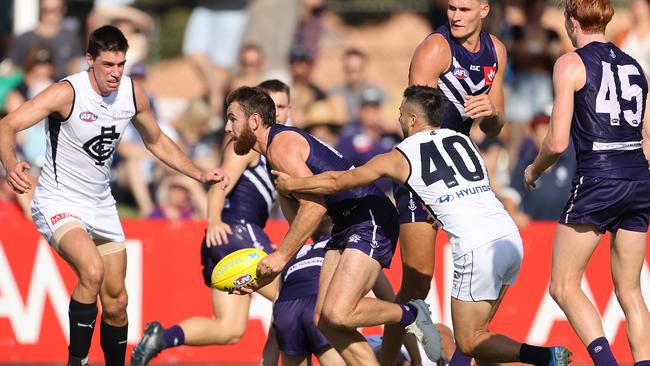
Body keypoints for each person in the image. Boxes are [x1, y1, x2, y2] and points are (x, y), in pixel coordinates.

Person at [273, 85, 571, 366]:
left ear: (413, 118)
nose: (398, 118)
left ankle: (544, 357)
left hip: (475, 248)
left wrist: (294, 183)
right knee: (482, 337)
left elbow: (339, 180)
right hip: (509, 239)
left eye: (401, 112)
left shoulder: (401, 155)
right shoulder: (463, 141)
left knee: (469, 341)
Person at [0, 25, 227, 366]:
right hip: (58, 201)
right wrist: (11, 162)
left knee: (118, 301)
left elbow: (156, 140)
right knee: (91, 270)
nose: (116, 73)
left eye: (121, 64)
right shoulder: (66, 92)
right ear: (90, 60)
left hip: (101, 204)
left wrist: (196, 172)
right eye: (108, 64)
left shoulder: (132, 94)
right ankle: (77, 361)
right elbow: (7, 124)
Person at [225, 86, 442, 366]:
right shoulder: (272, 158)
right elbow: (300, 230)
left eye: (232, 119)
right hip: (347, 223)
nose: (228, 128)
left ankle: (412, 314)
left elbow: (315, 208)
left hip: (368, 216)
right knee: (324, 320)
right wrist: (264, 276)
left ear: (254, 121)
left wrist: (278, 257)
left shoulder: (281, 146)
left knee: (339, 313)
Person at [130, 79, 291, 366]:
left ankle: (161, 338)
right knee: (293, 297)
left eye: (282, 106)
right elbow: (220, 183)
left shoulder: (280, 146)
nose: (276, 113)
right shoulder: (247, 145)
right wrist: (213, 219)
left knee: (229, 329)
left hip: (229, 242)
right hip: (237, 233)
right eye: (272, 106)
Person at [523, 1, 650, 365]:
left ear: (572, 20)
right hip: (639, 178)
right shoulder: (634, 65)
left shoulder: (570, 63)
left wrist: (533, 170)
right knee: (630, 291)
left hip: (598, 177)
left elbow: (557, 141)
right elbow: (648, 137)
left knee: (563, 284)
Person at [385, 0, 508, 363]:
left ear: (484, 10)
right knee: (417, 283)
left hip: (459, 173)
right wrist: (435, 188)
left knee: (490, 256)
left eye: (465, 9)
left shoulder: (496, 50)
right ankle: (386, 360)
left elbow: (496, 126)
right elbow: (411, 123)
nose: (455, 16)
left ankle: (463, 352)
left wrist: (493, 112)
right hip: (425, 173)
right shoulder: (435, 48)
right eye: (452, 8)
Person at [8, 0, 84, 80]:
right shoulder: (24, 39)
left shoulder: (71, 38)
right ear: (40, 10)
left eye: (56, 10)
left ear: (64, 10)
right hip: (31, 88)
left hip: (62, 87)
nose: (50, 15)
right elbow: (11, 69)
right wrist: (30, 74)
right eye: (46, 10)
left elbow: (77, 66)